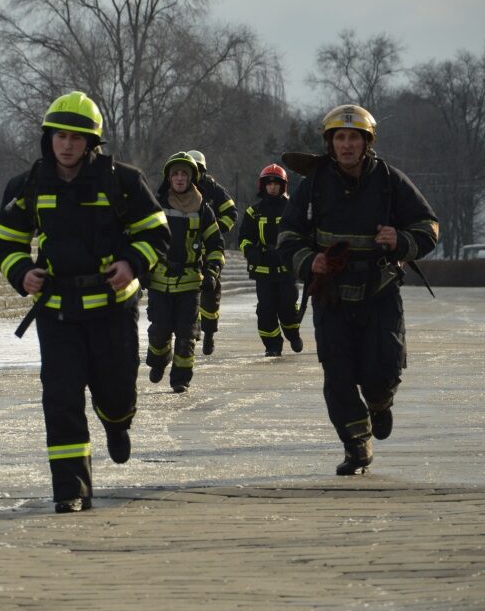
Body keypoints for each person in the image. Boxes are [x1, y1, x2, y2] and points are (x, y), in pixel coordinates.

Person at [0, 91, 170, 513]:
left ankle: (118, 422)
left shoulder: (122, 181)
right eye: (59, 136)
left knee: (116, 391)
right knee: (61, 398)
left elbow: (157, 232)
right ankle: (71, 490)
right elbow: (5, 242)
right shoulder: (27, 186)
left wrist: (131, 263)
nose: (66, 145)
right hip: (58, 313)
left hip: (112, 310)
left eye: (76, 137)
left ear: (92, 143)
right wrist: (22, 272)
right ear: (48, 138)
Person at [277, 104, 439, 475]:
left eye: (353, 137)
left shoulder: (390, 180)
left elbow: (429, 227)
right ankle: (357, 446)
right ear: (330, 142)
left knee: (382, 370)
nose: (346, 144)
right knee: (338, 376)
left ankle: (380, 404)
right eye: (340, 137)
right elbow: (287, 235)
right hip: (331, 296)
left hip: (379, 292)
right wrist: (309, 261)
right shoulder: (313, 185)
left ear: (366, 143)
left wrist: (400, 239)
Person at [145, 151, 224, 393]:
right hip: (159, 281)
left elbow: (215, 246)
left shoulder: (204, 211)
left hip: (190, 284)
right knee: (159, 331)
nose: (179, 178)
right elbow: (144, 239)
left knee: (186, 334)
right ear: (169, 178)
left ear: (192, 178)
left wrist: (212, 272)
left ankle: (181, 378)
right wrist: (143, 269)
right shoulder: (155, 205)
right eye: (175, 174)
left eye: (184, 174)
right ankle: (159, 360)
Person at [238, 164, 303, 357]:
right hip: (263, 268)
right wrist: (251, 251)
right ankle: (272, 345)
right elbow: (244, 238)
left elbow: (301, 233)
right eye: (269, 183)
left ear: (283, 186)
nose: (272, 187)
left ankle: (293, 334)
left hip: (286, 269)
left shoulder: (292, 208)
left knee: (288, 307)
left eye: (276, 183)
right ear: (263, 186)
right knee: (266, 310)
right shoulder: (254, 212)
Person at [186, 150, 238, 355]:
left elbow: (231, 213)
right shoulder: (178, 189)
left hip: (210, 252)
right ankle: (192, 329)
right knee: (188, 295)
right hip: (186, 252)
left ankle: (209, 333)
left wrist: (215, 230)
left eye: (198, 169)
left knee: (210, 295)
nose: (195, 173)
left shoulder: (214, 190)